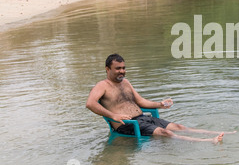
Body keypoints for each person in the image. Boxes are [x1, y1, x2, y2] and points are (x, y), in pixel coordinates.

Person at [86, 54, 231, 143]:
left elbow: (141, 101)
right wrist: (113, 115)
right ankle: (207, 141)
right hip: (127, 124)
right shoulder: (102, 85)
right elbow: (90, 103)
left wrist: (160, 104)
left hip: (143, 117)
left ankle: (217, 133)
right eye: (118, 68)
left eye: (123, 68)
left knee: (179, 127)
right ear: (107, 69)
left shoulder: (125, 82)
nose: (122, 71)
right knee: (165, 133)